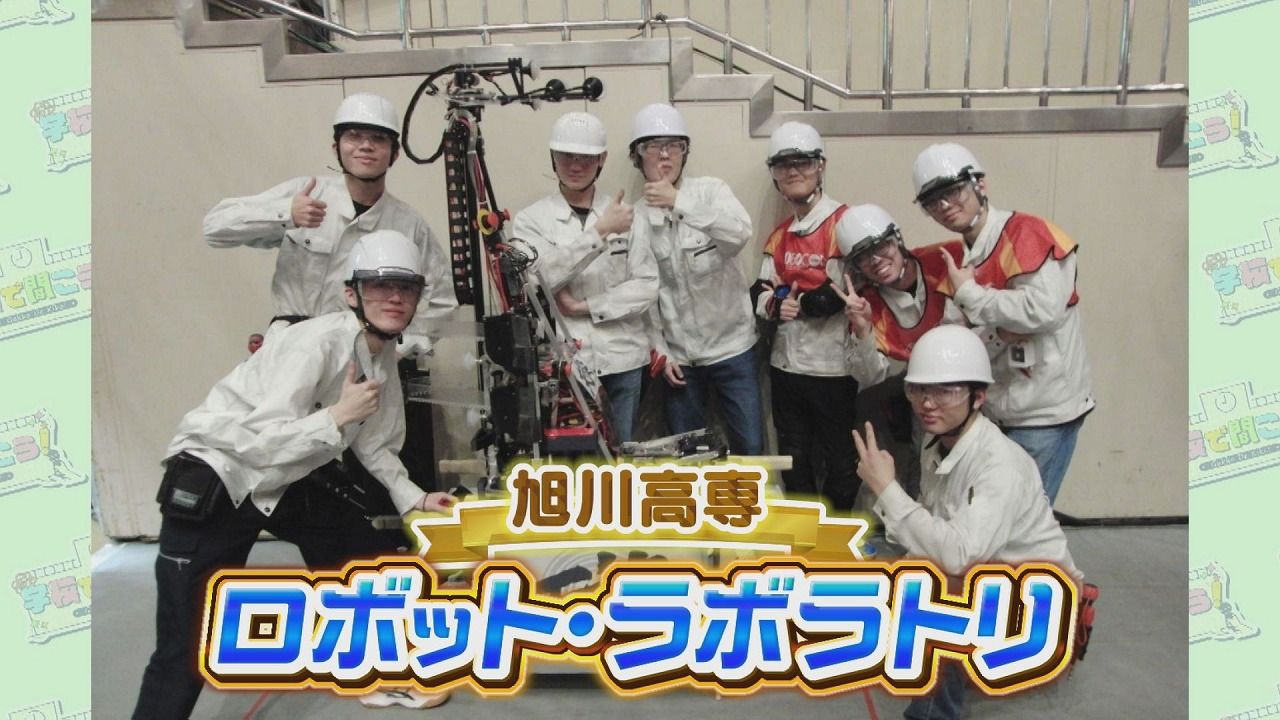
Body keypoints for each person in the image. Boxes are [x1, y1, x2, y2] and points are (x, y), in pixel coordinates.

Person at [132, 231, 456, 719]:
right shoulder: (314, 343)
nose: (394, 297)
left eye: (406, 288)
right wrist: (338, 416)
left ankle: (377, 675)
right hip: (220, 472)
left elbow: (374, 441)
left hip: (280, 477)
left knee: (358, 558)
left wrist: (415, 497)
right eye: (379, 285)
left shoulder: (381, 353)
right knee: (187, 645)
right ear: (352, 294)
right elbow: (262, 440)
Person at [202, 92, 456, 501]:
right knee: (271, 459)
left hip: (359, 360)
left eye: (379, 138)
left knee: (369, 466)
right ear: (335, 146)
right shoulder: (307, 194)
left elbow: (441, 301)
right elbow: (215, 228)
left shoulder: (407, 224)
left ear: (394, 153)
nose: (366, 146)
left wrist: (395, 348)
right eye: (354, 136)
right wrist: (285, 214)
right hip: (292, 353)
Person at [852, 324, 1083, 720]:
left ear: (979, 396)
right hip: (1001, 588)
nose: (927, 403)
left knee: (935, 594)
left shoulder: (999, 465)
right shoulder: (938, 445)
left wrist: (887, 489)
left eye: (946, 391)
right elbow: (932, 533)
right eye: (918, 390)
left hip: (1046, 617)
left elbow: (959, 556)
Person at [912, 143, 1094, 503]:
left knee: (1024, 516)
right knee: (992, 513)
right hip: (994, 410)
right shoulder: (961, 257)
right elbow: (960, 336)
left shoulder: (1029, 233)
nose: (944, 205)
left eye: (953, 191)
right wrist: (995, 328)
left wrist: (973, 297)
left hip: (1043, 412)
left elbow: (1043, 309)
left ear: (980, 184)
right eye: (932, 202)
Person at [510, 111, 655, 443]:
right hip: (567, 366)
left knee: (620, 453)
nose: (575, 165)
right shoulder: (531, 221)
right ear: (553, 156)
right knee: (574, 459)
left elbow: (647, 287)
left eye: (585, 157)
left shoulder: (629, 216)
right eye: (566, 156)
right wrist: (600, 231)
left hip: (623, 358)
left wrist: (584, 306)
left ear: (602, 159)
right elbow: (537, 279)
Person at [630, 103, 763, 455]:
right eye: (653, 146)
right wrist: (660, 350)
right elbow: (644, 293)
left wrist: (679, 201)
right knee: (689, 456)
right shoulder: (637, 217)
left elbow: (738, 235)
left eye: (674, 146)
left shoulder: (710, 191)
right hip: (680, 359)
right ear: (637, 155)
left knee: (750, 448)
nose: (665, 155)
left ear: (685, 152)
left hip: (733, 348)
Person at [749, 121, 858, 510]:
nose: (793, 172)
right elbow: (760, 290)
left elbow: (842, 292)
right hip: (786, 367)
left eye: (803, 163)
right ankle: (804, 532)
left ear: (820, 166)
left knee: (841, 461)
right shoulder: (780, 234)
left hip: (832, 368)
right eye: (783, 165)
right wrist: (778, 303)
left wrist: (803, 303)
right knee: (793, 459)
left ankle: (838, 531)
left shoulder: (844, 223)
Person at [830, 204, 964, 498]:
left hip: (968, 386)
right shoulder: (864, 303)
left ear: (898, 239)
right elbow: (870, 376)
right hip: (912, 396)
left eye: (881, 247)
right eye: (863, 257)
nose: (875, 260)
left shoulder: (945, 259)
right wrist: (863, 329)